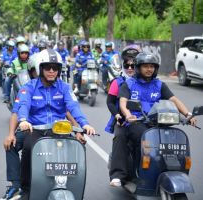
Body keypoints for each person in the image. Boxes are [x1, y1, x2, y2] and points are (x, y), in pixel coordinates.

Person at [16, 49, 96, 194]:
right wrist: (23, 120)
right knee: (28, 148)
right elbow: (23, 105)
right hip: (37, 130)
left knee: (77, 149)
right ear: (41, 69)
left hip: (60, 130)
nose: (51, 71)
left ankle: (72, 187)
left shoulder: (64, 87)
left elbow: (73, 107)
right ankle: (26, 188)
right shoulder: (29, 87)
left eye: (55, 68)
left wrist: (85, 124)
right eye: (48, 68)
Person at [113, 52, 198, 187]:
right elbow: (123, 102)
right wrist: (128, 114)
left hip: (155, 122)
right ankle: (120, 174)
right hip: (135, 121)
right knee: (141, 138)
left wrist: (188, 114)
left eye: (152, 66)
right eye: (145, 66)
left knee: (170, 140)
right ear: (138, 68)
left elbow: (174, 100)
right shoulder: (129, 84)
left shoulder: (159, 85)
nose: (149, 69)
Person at [105, 45, 141, 186]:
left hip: (143, 120)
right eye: (127, 65)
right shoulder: (117, 82)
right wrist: (118, 116)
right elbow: (110, 103)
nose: (130, 68)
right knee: (120, 137)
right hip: (122, 120)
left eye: (134, 65)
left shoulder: (146, 82)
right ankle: (118, 174)